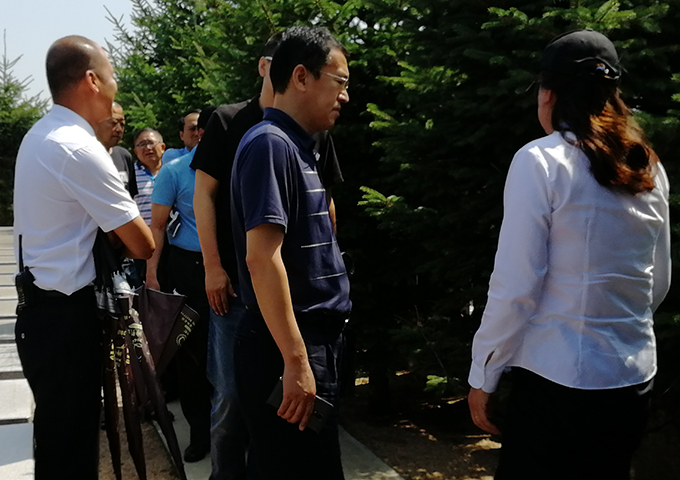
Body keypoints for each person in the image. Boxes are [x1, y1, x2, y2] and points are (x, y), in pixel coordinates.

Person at [467, 29, 670, 480]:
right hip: (632, 381)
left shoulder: (540, 161)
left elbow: (517, 286)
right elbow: (658, 281)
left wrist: (484, 373)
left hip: (556, 384)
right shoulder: (649, 166)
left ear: (548, 94)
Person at [191, 31, 344, 479]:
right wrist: (296, 360)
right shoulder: (270, 144)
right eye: (339, 81)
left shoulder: (300, 143)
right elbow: (262, 259)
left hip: (306, 339)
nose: (345, 95)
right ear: (301, 77)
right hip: (286, 343)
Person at [12, 35, 154, 479]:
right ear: (92, 80)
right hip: (65, 321)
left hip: (42, 314)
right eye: (112, 74)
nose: (115, 84)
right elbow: (143, 243)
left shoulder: (40, 134)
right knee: (71, 454)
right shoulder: (78, 146)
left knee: (58, 446)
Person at [146, 107, 213, 463]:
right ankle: (200, 433)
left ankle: (235, 432)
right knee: (191, 354)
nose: (200, 133)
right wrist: (152, 273)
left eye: (204, 127)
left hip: (230, 270)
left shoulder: (233, 166)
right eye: (194, 128)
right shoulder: (174, 172)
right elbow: (157, 226)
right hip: (188, 269)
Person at [94, 101, 138, 196]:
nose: (119, 129)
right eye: (113, 123)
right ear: (96, 123)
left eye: (122, 124)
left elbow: (131, 196)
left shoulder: (124, 156)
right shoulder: (84, 156)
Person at [133, 127, 165, 226]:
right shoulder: (130, 173)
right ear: (136, 151)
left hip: (171, 233)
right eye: (142, 144)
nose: (147, 148)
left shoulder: (173, 171)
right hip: (141, 232)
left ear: (163, 147)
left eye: (151, 143)